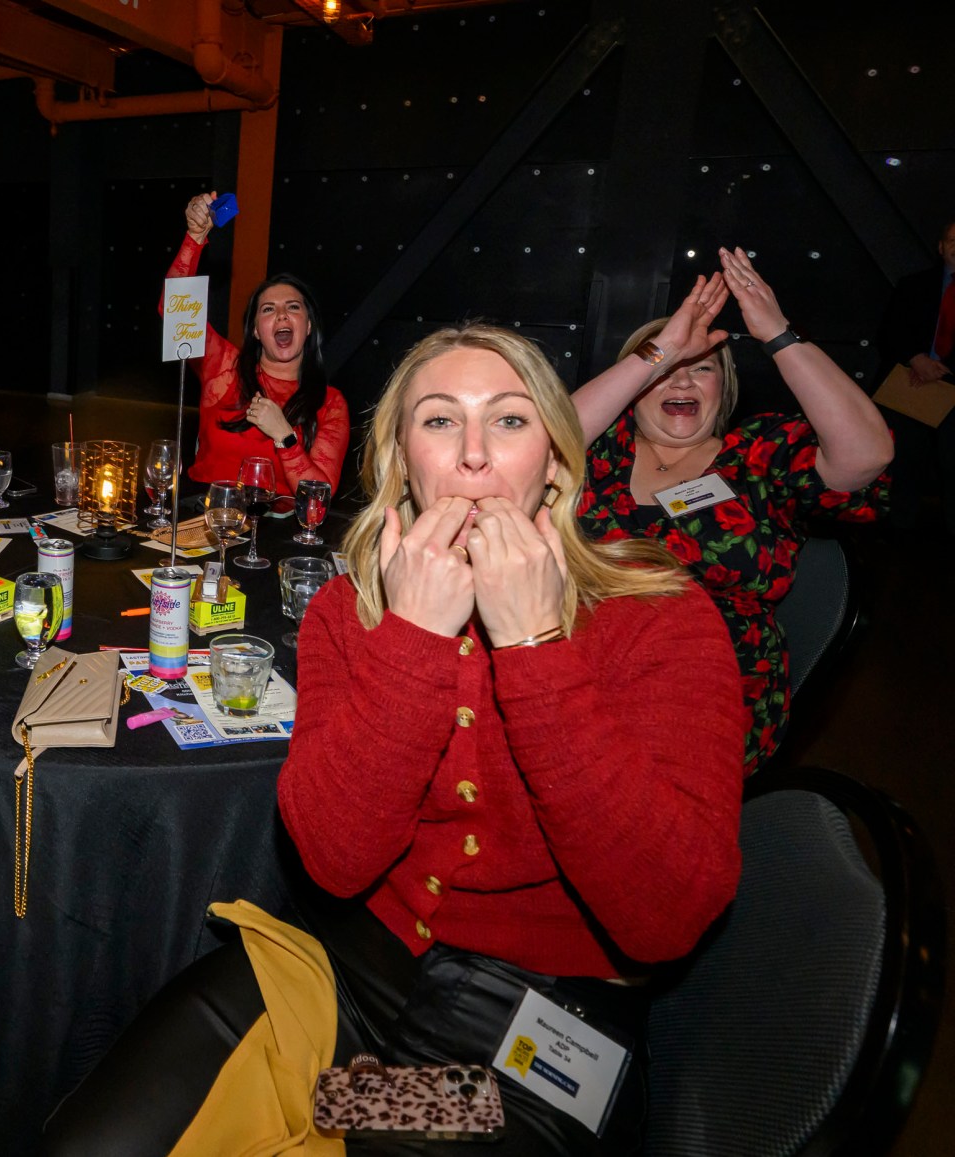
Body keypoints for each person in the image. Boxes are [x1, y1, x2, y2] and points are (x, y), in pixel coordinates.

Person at [50, 324, 747, 1157]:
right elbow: (335, 860)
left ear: (558, 462)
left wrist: (532, 646)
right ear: (402, 465)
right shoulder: (351, 612)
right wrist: (413, 636)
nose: (474, 455)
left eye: (510, 420)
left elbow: (668, 917)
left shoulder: (659, 614)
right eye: (441, 420)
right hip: (349, 978)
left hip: (528, 1031)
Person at [573, 247, 891, 769]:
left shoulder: (759, 456)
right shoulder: (598, 453)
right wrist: (662, 348)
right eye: (666, 369)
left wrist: (778, 334)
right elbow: (535, 446)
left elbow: (866, 456)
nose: (681, 381)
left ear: (723, 386)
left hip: (706, 691)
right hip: (579, 666)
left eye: (701, 369)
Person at [166, 192, 348, 494]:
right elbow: (175, 313)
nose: (281, 315)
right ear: (255, 331)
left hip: (277, 522)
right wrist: (195, 237)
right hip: (205, 514)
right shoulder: (225, 367)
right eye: (268, 309)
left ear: (308, 326)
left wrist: (284, 436)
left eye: (293, 307)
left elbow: (318, 496)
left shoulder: (330, 403)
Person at [875, 218, 955, 533]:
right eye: (952, 240)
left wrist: (943, 368)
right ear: (941, 247)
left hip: (952, 388)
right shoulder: (914, 284)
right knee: (903, 459)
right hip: (911, 382)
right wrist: (916, 359)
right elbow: (889, 332)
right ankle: (898, 528)